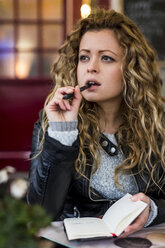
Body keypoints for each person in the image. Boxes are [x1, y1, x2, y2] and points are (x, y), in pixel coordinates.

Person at [27, 8, 165, 237]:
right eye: (84, 57)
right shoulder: (53, 125)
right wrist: (63, 133)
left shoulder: (158, 124)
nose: (91, 67)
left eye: (106, 58)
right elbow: (42, 212)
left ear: (131, 70)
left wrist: (153, 210)